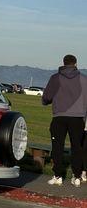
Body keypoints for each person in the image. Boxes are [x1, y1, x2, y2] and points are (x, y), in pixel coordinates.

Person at [42, 54, 87, 187]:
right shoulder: (84, 79)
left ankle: (58, 176)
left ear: (63, 63)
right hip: (78, 118)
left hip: (59, 117)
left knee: (57, 147)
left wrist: (46, 101)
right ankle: (77, 176)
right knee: (77, 148)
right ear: (76, 64)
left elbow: (47, 97)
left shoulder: (55, 78)